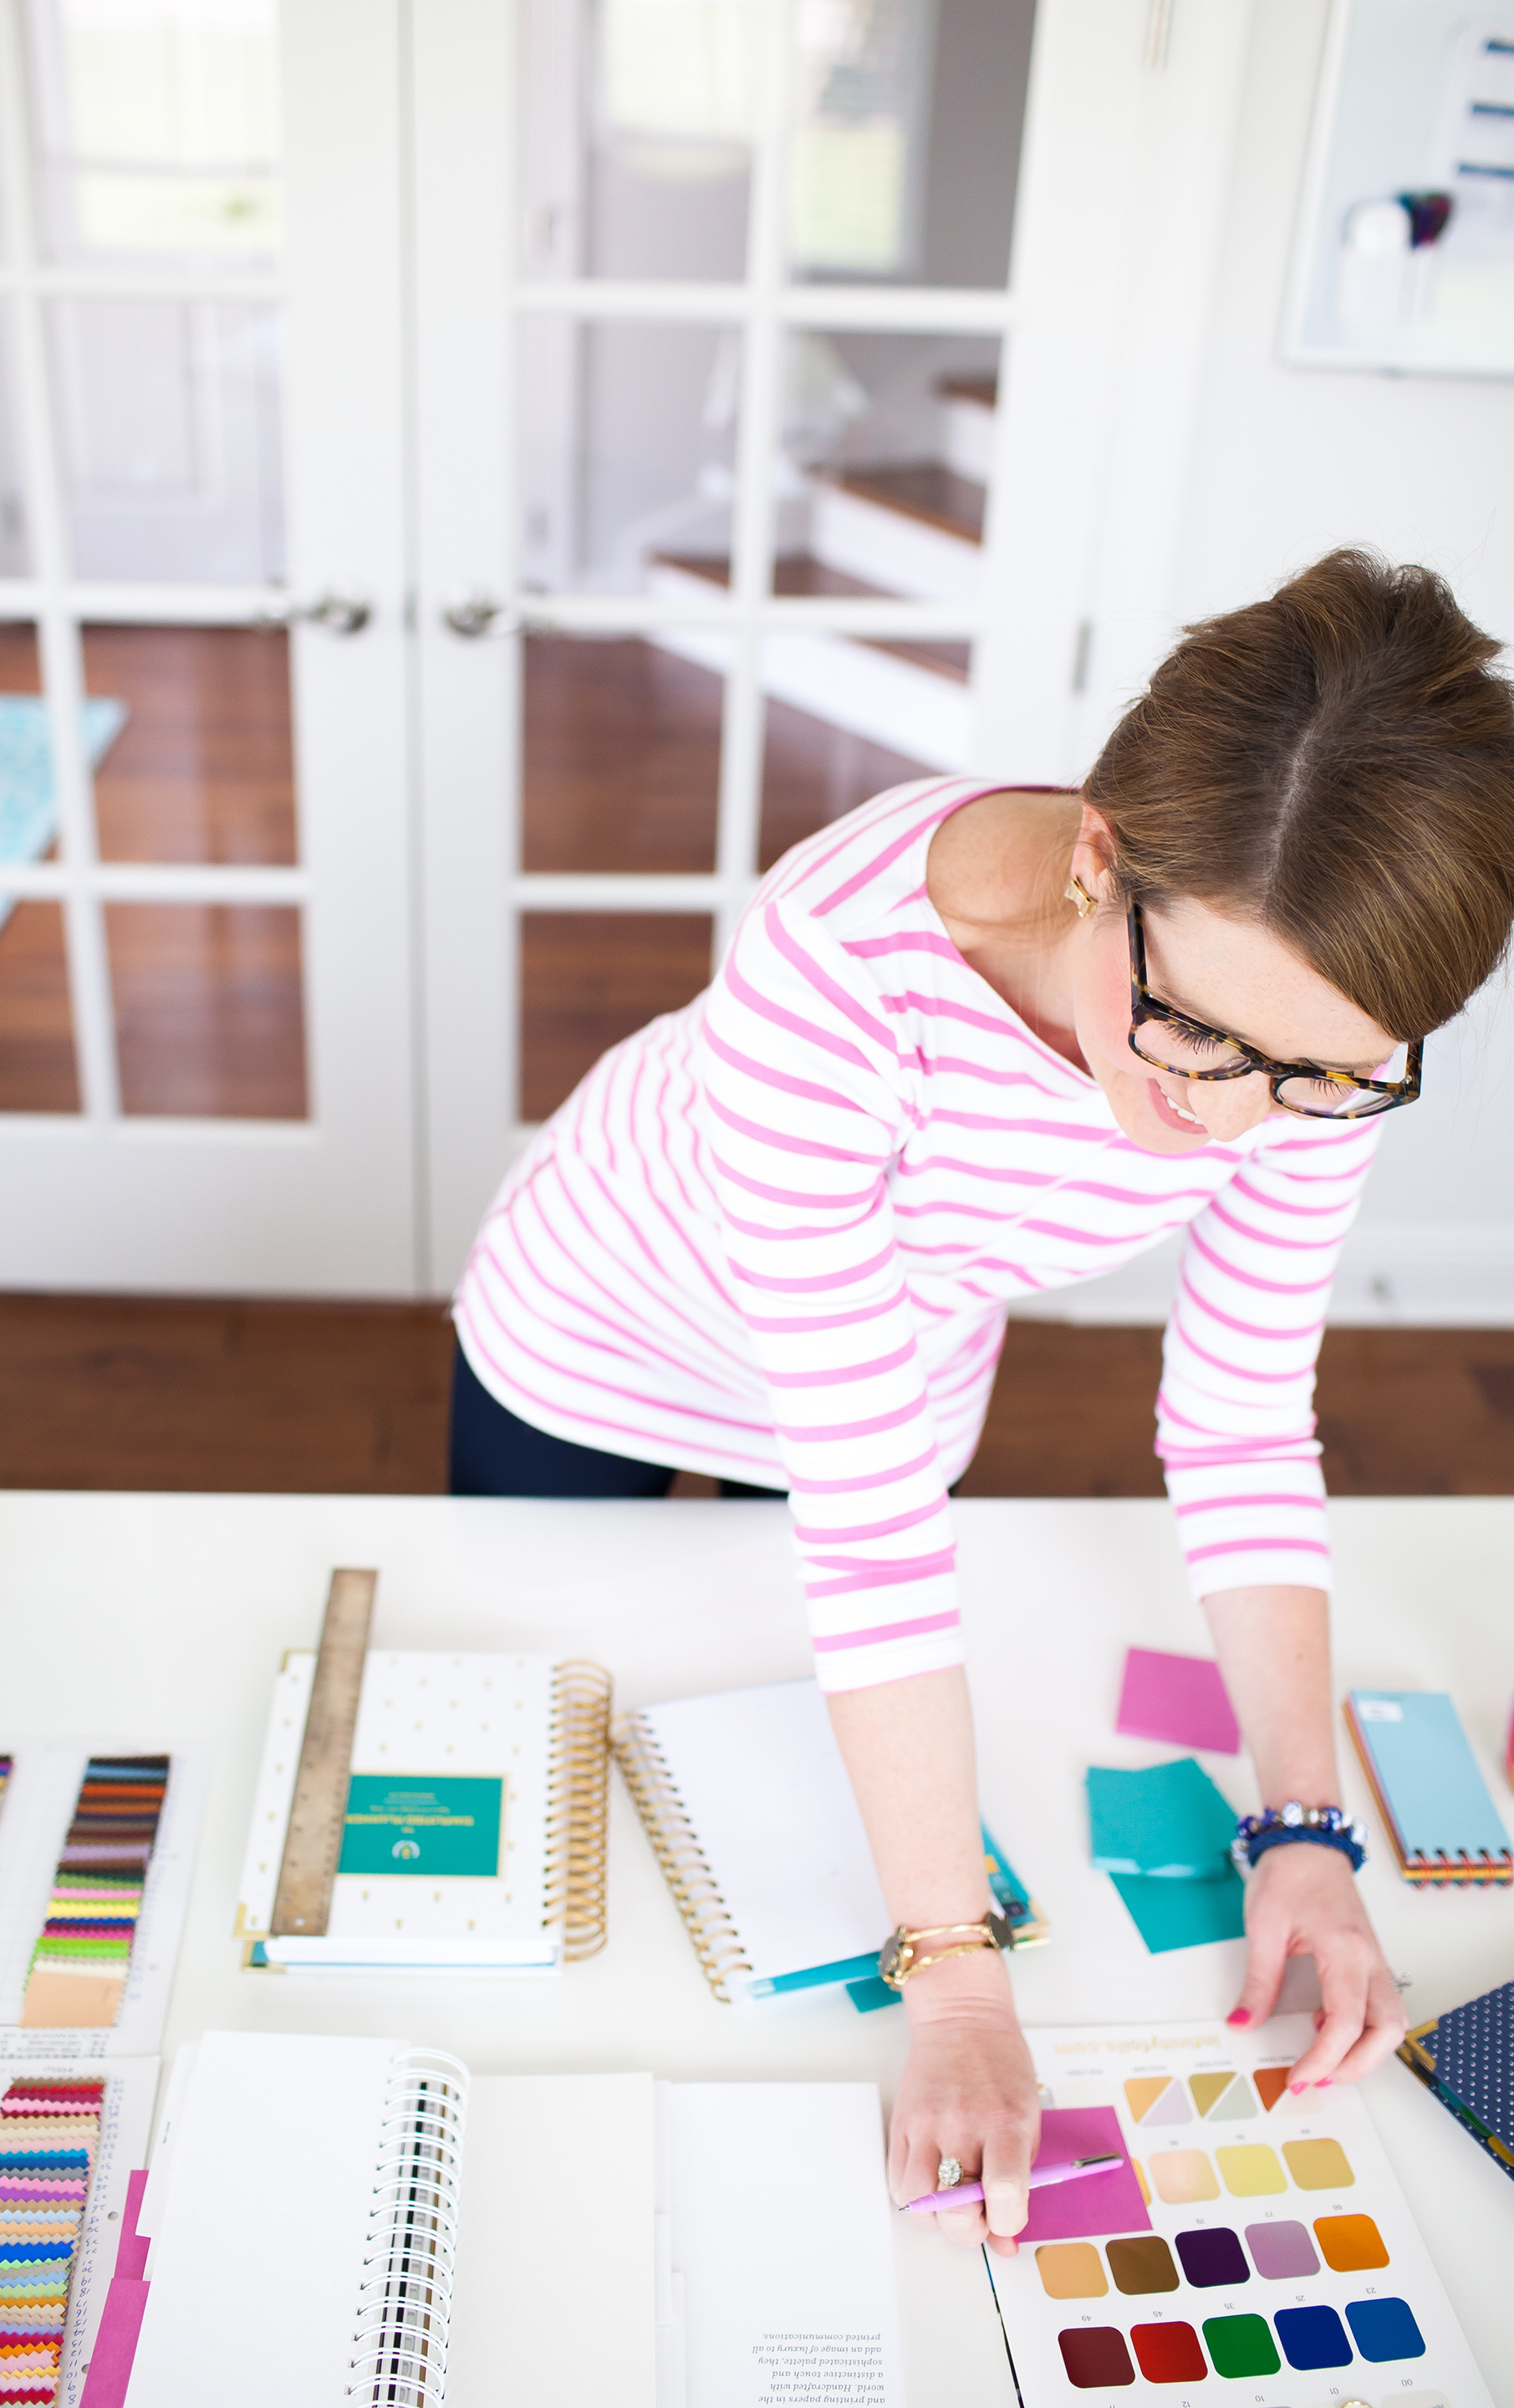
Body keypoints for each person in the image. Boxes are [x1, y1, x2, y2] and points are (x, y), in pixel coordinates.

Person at [451, 550, 1514, 2250]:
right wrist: (954, 1992)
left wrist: (1305, 1823)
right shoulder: (837, 952)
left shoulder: (1304, 1011)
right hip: (605, 1316)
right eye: (1194, 1039)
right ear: (1101, 858)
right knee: (530, 1710)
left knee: (746, 1704)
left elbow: (1240, 1411)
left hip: (902, 1350)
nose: (1236, 1122)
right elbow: (867, 1513)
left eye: (1318, 1076)